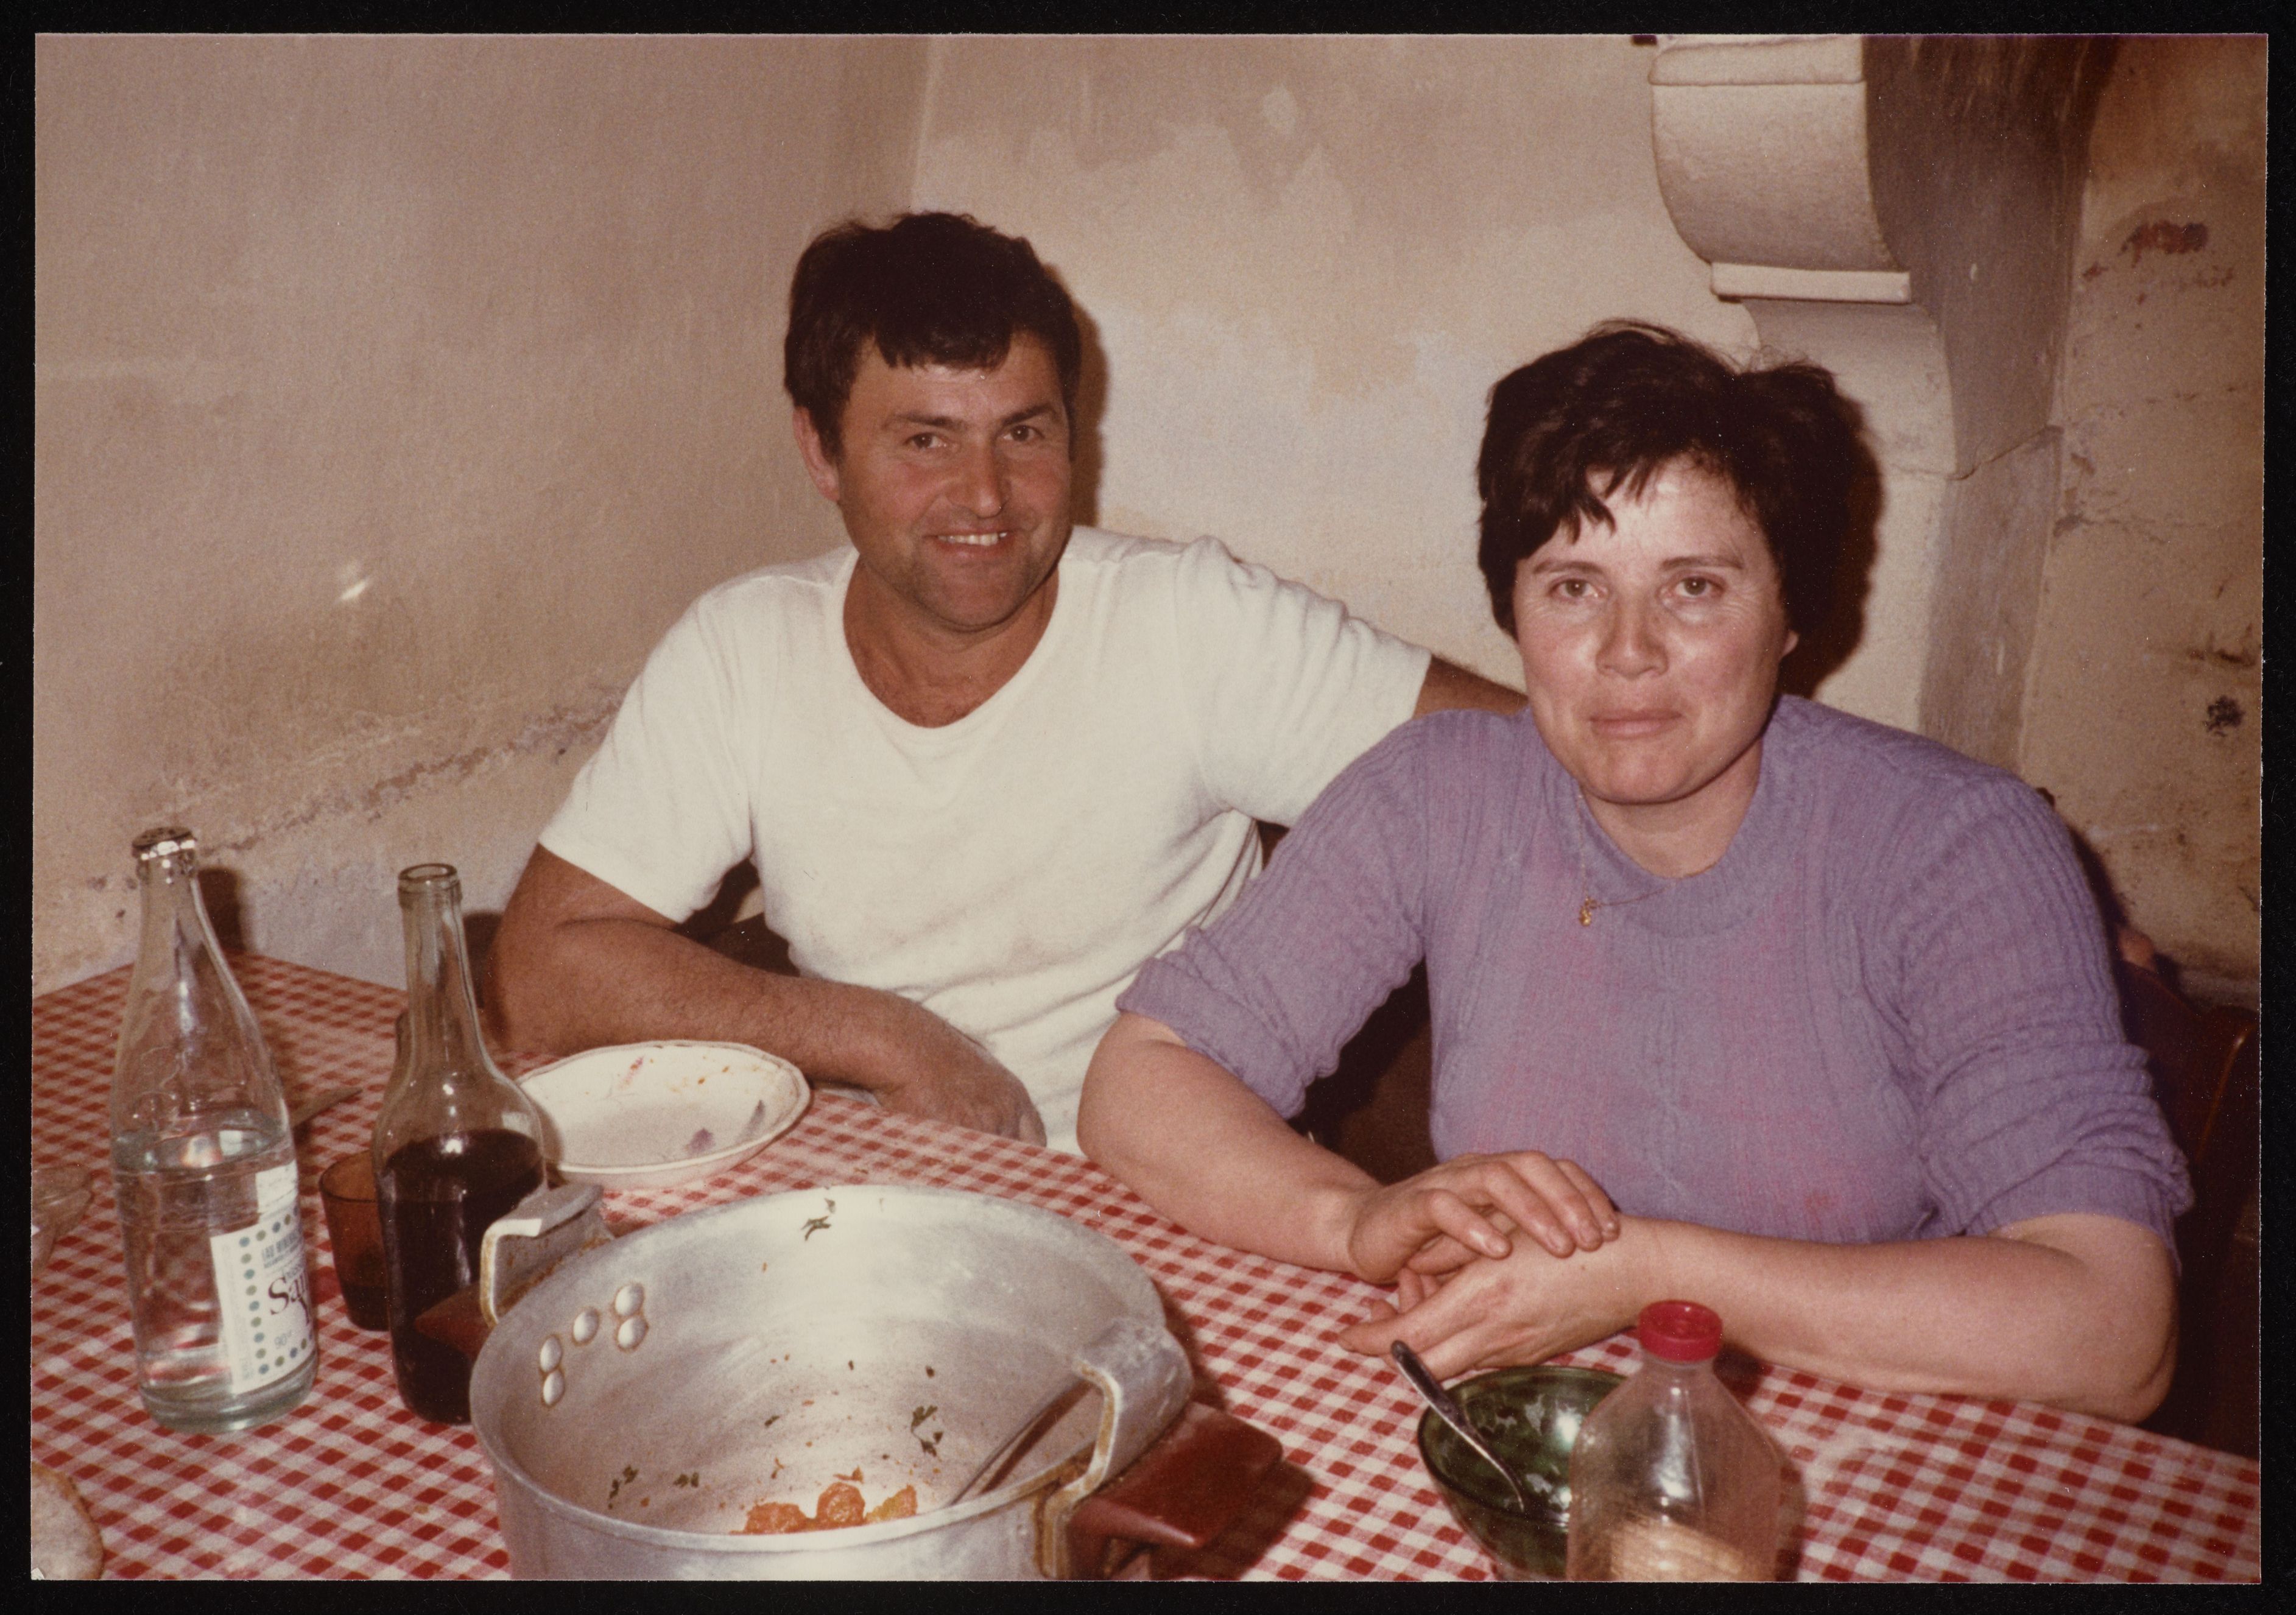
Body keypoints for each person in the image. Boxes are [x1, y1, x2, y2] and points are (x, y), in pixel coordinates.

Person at [1079, 322, 2191, 1421]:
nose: (1626, 651)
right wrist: (1353, 1220)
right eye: (1573, 586)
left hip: (1858, 1449)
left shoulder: (1956, 844)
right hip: (1530, 1420)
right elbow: (1142, 1080)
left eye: (1693, 587)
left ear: (1791, 610)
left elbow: (2112, 1327)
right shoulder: (1438, 790)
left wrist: (1645, 1273)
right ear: (1513, 608)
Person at [487, 211, 1520, 1154]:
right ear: (820, 450)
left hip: (1174, 1206)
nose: (985, 496)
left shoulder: (1191, 625)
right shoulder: (742, 649)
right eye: (925, 441)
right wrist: (884, 1037)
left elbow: (1526, 771)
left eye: (1023, 433)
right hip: (880, 1197)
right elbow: (542, 968)